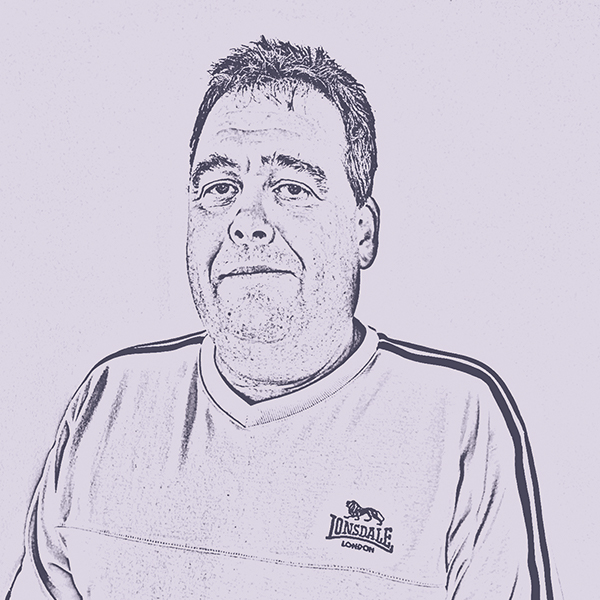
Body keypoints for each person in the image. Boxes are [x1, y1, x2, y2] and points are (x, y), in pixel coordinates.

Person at [7, 37, 557, 599]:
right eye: (220, 188)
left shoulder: (456, 421)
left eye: (291, 188)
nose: (246, 220)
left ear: (362, 232)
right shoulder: (112, 401)